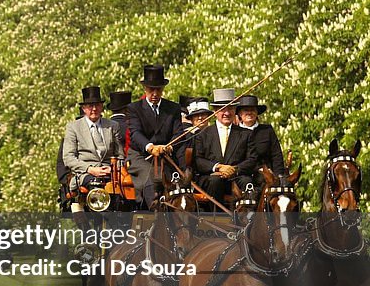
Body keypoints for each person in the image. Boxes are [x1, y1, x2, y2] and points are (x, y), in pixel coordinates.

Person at [127, 65, 186, 209]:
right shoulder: (134, 108)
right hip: (141, 156)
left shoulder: (173, 108)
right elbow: (135, 133)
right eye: (150, 89)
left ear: (163, 90)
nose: (154, 93)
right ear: (144, 89)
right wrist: (150, 147)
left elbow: (179, 133)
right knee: (154, 178)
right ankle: (154, 213)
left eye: (158, 89)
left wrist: (169, 146)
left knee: (177, 180)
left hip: (166, 156)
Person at [193, 88, 256, 205]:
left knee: (248, 183)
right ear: (216, 111)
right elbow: (198, 160)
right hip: (211, 177)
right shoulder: (203, 134)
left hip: (237, 176)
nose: (227, 113)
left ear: (235, 110)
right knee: (215, 181)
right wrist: (218, 167)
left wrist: (234, 170)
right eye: (223, 109)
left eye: (231, 109)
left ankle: (247, 220)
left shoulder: (245, 134)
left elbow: (252, 159)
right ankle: (214, 218)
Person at [63, 86, 123, 192]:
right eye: (90, 106)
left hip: (110, 174)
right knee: (95, 185)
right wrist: (90, 169)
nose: (94, 109)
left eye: (97, 105)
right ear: (84, 108)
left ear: (102, 107)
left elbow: (120, 156)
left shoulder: (113, 126)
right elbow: (69, 158)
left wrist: (113, 169)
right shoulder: (73, 127)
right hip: (85, 173)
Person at [235, 94, 285, 188]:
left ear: (257, 113)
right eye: (246, 110)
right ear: (240, 114)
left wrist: (279, 176)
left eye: (253, 110)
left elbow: (276, 155)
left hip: (266, 174)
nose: (249, 113)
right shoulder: (235, 132)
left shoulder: (267, 130)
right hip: (243, 175)